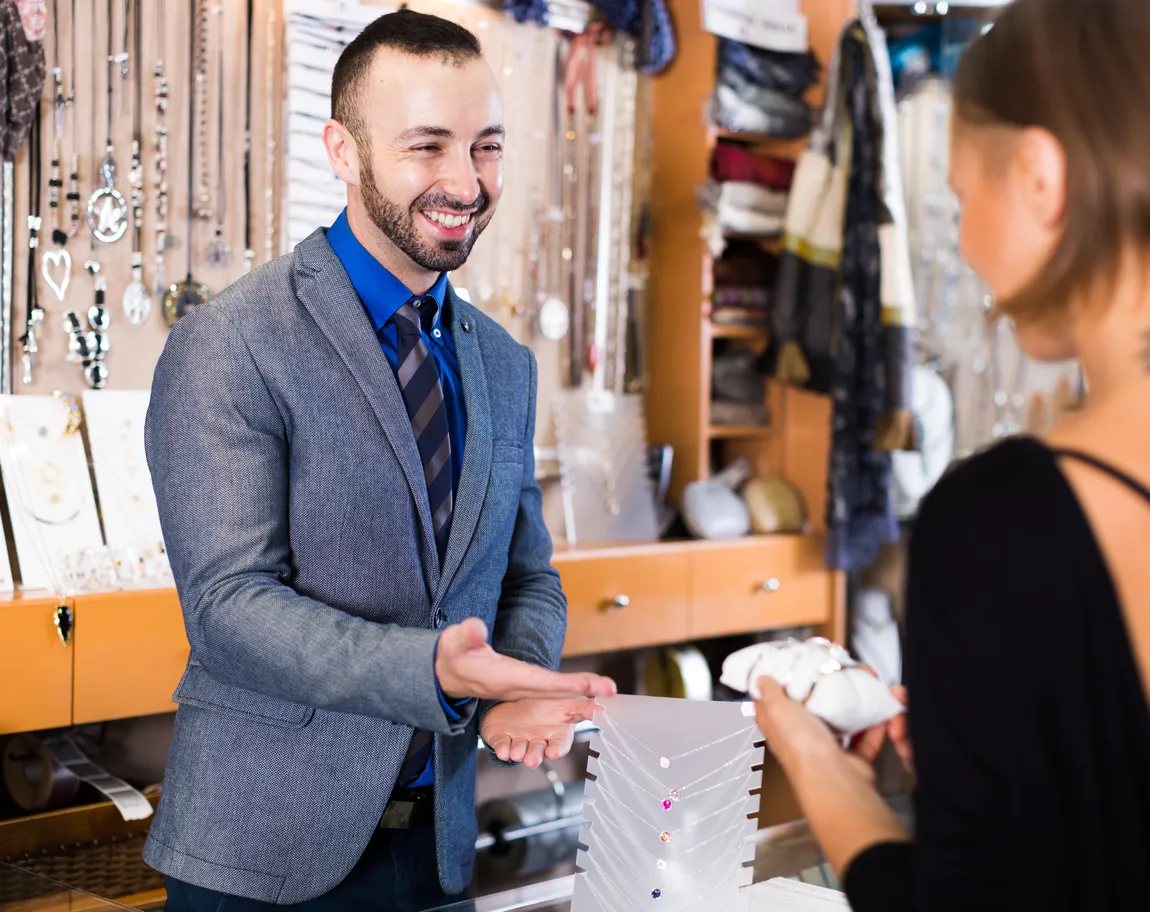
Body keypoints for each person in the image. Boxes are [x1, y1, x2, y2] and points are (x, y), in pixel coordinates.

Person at [144, 10, 616, 911]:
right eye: (426, 147)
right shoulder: (229, 345)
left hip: (438, 858)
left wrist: (510, 685)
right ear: (343, 150)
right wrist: (435, 674)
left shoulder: (503, 363)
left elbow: (527, 578)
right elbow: (230, 610)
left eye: (485, 147)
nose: (464, 182)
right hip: (260, 861)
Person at [752, 1, 1150, 909]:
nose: (967, 248)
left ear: (1042, 178)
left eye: (967, 198)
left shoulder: (999, 527)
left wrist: (818, 765)